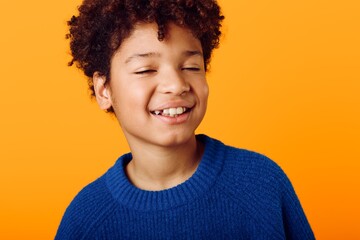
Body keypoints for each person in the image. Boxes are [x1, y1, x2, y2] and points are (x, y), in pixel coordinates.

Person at [56, 0, 315, 239]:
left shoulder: (261, 185)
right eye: (146, 70)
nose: (176, 85)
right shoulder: (85, 220)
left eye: (191, 67)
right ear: (104, 90)